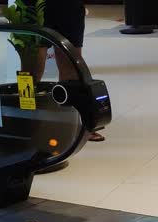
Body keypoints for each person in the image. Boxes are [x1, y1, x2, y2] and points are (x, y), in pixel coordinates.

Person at [35, 0, 104, 142]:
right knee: (32, 67)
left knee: (70, 67)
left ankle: (70, 121)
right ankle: (29, 120)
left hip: (68, 7)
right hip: (37, 6)